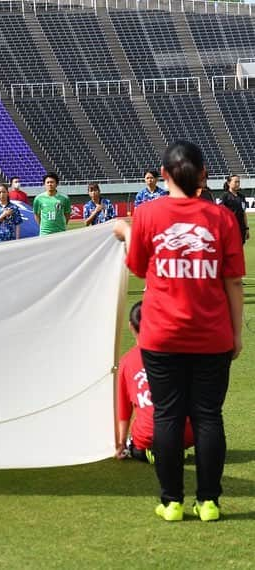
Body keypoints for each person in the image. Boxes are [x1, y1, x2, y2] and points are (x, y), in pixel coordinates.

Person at [113, 141, 245, 522]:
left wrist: (124, 231)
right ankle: (209, 502)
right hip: (212, 336)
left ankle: (171, 502)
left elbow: (137, 266)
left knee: (168, 416)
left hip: (161, 337)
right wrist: (236, 335)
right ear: (203, 174)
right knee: (208, 417)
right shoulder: (221, 219)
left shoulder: (149, 214)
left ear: (164, 174)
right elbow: (234, 282)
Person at [116, 301, 194, 464]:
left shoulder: (127, 361)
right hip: (190, 432)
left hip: (150, 434)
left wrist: (120, 442)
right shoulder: (180, 351)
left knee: (135, 444)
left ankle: (154, 453)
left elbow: (123, 411)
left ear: (131, 326)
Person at [219, 174, 248, 244]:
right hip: (230, 229)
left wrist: (246, 229)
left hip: (241, 229)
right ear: (229, 183)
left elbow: (243, 213)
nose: (238, 184)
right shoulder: (224, 196)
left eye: (239, 182)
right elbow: (220, 213)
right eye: (235, 182)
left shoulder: (242, 197)